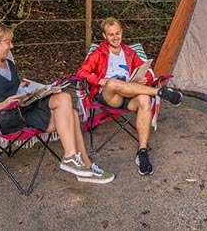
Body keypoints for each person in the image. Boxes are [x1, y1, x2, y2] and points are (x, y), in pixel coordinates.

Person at [0, 24, 114, 184]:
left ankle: (83, 163)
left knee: (65, 100)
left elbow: (12, 92)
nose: (11, 46)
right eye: (8, 42)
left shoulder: (8, 64)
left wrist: (27, 89)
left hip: (23, 109)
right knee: (68, 111)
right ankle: (73, 159)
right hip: (6, 118)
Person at [76, 17, 183, 176]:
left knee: (144, 99)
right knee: (113, 83)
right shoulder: (99, 53)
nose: (115, 37)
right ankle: (160, 92)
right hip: (110, 96)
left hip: (130, 93)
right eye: (111, 34)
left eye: (117, 33)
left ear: (122, 33)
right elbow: (81, 73)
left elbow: (145, 69)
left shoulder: (129, 52)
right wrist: (102, 80)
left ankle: (143, 152)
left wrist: (144, 78)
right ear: (105, 36)